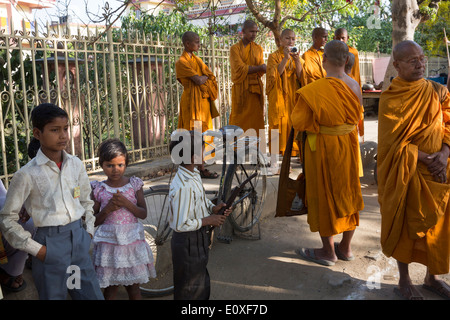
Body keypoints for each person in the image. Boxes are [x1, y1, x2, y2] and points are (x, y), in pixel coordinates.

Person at [0, 103, 104, 300]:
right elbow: (7, 219)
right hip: (49, 246)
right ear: (38, 133)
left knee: (90, 295)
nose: (63, 135)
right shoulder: (27, 174)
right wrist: (38, 251)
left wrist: (88, 233)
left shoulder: (75, 164)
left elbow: (86, 202)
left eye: (65, 128)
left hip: (78, 241)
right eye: (55, 130)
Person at [378, 40, 450, 300]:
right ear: (396, 65)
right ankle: (405, 280)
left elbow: (448, 122)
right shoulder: (391, 98)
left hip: (440, 171)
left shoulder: (437, 91)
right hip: (408, 173)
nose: (420, 64)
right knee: (405, 225)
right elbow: (391, 146)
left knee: (438, 227)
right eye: (412, 61)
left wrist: (444, 153)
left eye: (422, 58)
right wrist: (426, 158)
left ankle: (433, 278)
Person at [291, 40, 364, 266]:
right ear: (347, 60)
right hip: (349, 148)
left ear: (323, 61)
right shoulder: (354, 85)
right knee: (348, 192)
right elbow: (358, 118)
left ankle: (327, 251)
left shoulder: (314, 90)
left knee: (324, 194)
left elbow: (299, 122)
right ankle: (346, 248)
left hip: (323, 147)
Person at [168, 130, 232, 300]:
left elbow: (200, 201)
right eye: (203, 150)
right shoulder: (183, 186)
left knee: (199, 284)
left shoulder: (194, 174)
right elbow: (181, 224)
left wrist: (213, 209)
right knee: (190, 289)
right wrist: (209, 220)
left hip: (197, 239)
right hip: (187, 242)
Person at [90, 138, 156, 300]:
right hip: (109, 247)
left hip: (131, 245)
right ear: (101, 164)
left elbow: (143, 213)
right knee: (110, 291)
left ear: (126, 163)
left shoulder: (134, 185)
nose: (115, 170)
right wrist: (108, 209)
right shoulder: (99, 189)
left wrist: (127, 204)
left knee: (134, 290)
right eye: (110, 165)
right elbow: (93, 221)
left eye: (120, 165)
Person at [176, 31, 219, 179]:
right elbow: (199, 80)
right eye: (196, 42)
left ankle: (201, 167)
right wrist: (205, 77)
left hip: (202, 102)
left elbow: (210, 76)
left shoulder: (197, 60)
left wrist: (204, 77)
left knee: (203, 135)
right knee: (191, 135)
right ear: (187, 44)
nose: (199, 44)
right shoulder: (181, 62)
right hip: (190, 102)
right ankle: (191, 169)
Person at [266, 29, 303, 171]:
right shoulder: (273, 56)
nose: (291, 41)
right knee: (276, 129)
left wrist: (296, 60)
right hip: (279, 98)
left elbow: (301, 75)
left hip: (293, 98)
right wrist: (286, 58)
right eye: (287, 38)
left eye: (293, 39)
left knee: (293, 127)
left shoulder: (296, 56)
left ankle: (293, 160)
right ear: (281, 40)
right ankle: (274, 162)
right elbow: (275, 74)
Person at [229, 20, 266, 137]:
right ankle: (237, 148)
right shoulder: (235, 49)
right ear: (243, 32)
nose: (254, 34)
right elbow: (239, 68)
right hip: (240, 89)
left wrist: (257, 68)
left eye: (256, 32)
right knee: (238, 119)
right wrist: (259, 67)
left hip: (254, 90)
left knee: (255, 120)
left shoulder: (258, 49)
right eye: (251, 31)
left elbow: (261, 72)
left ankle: (255, 150)